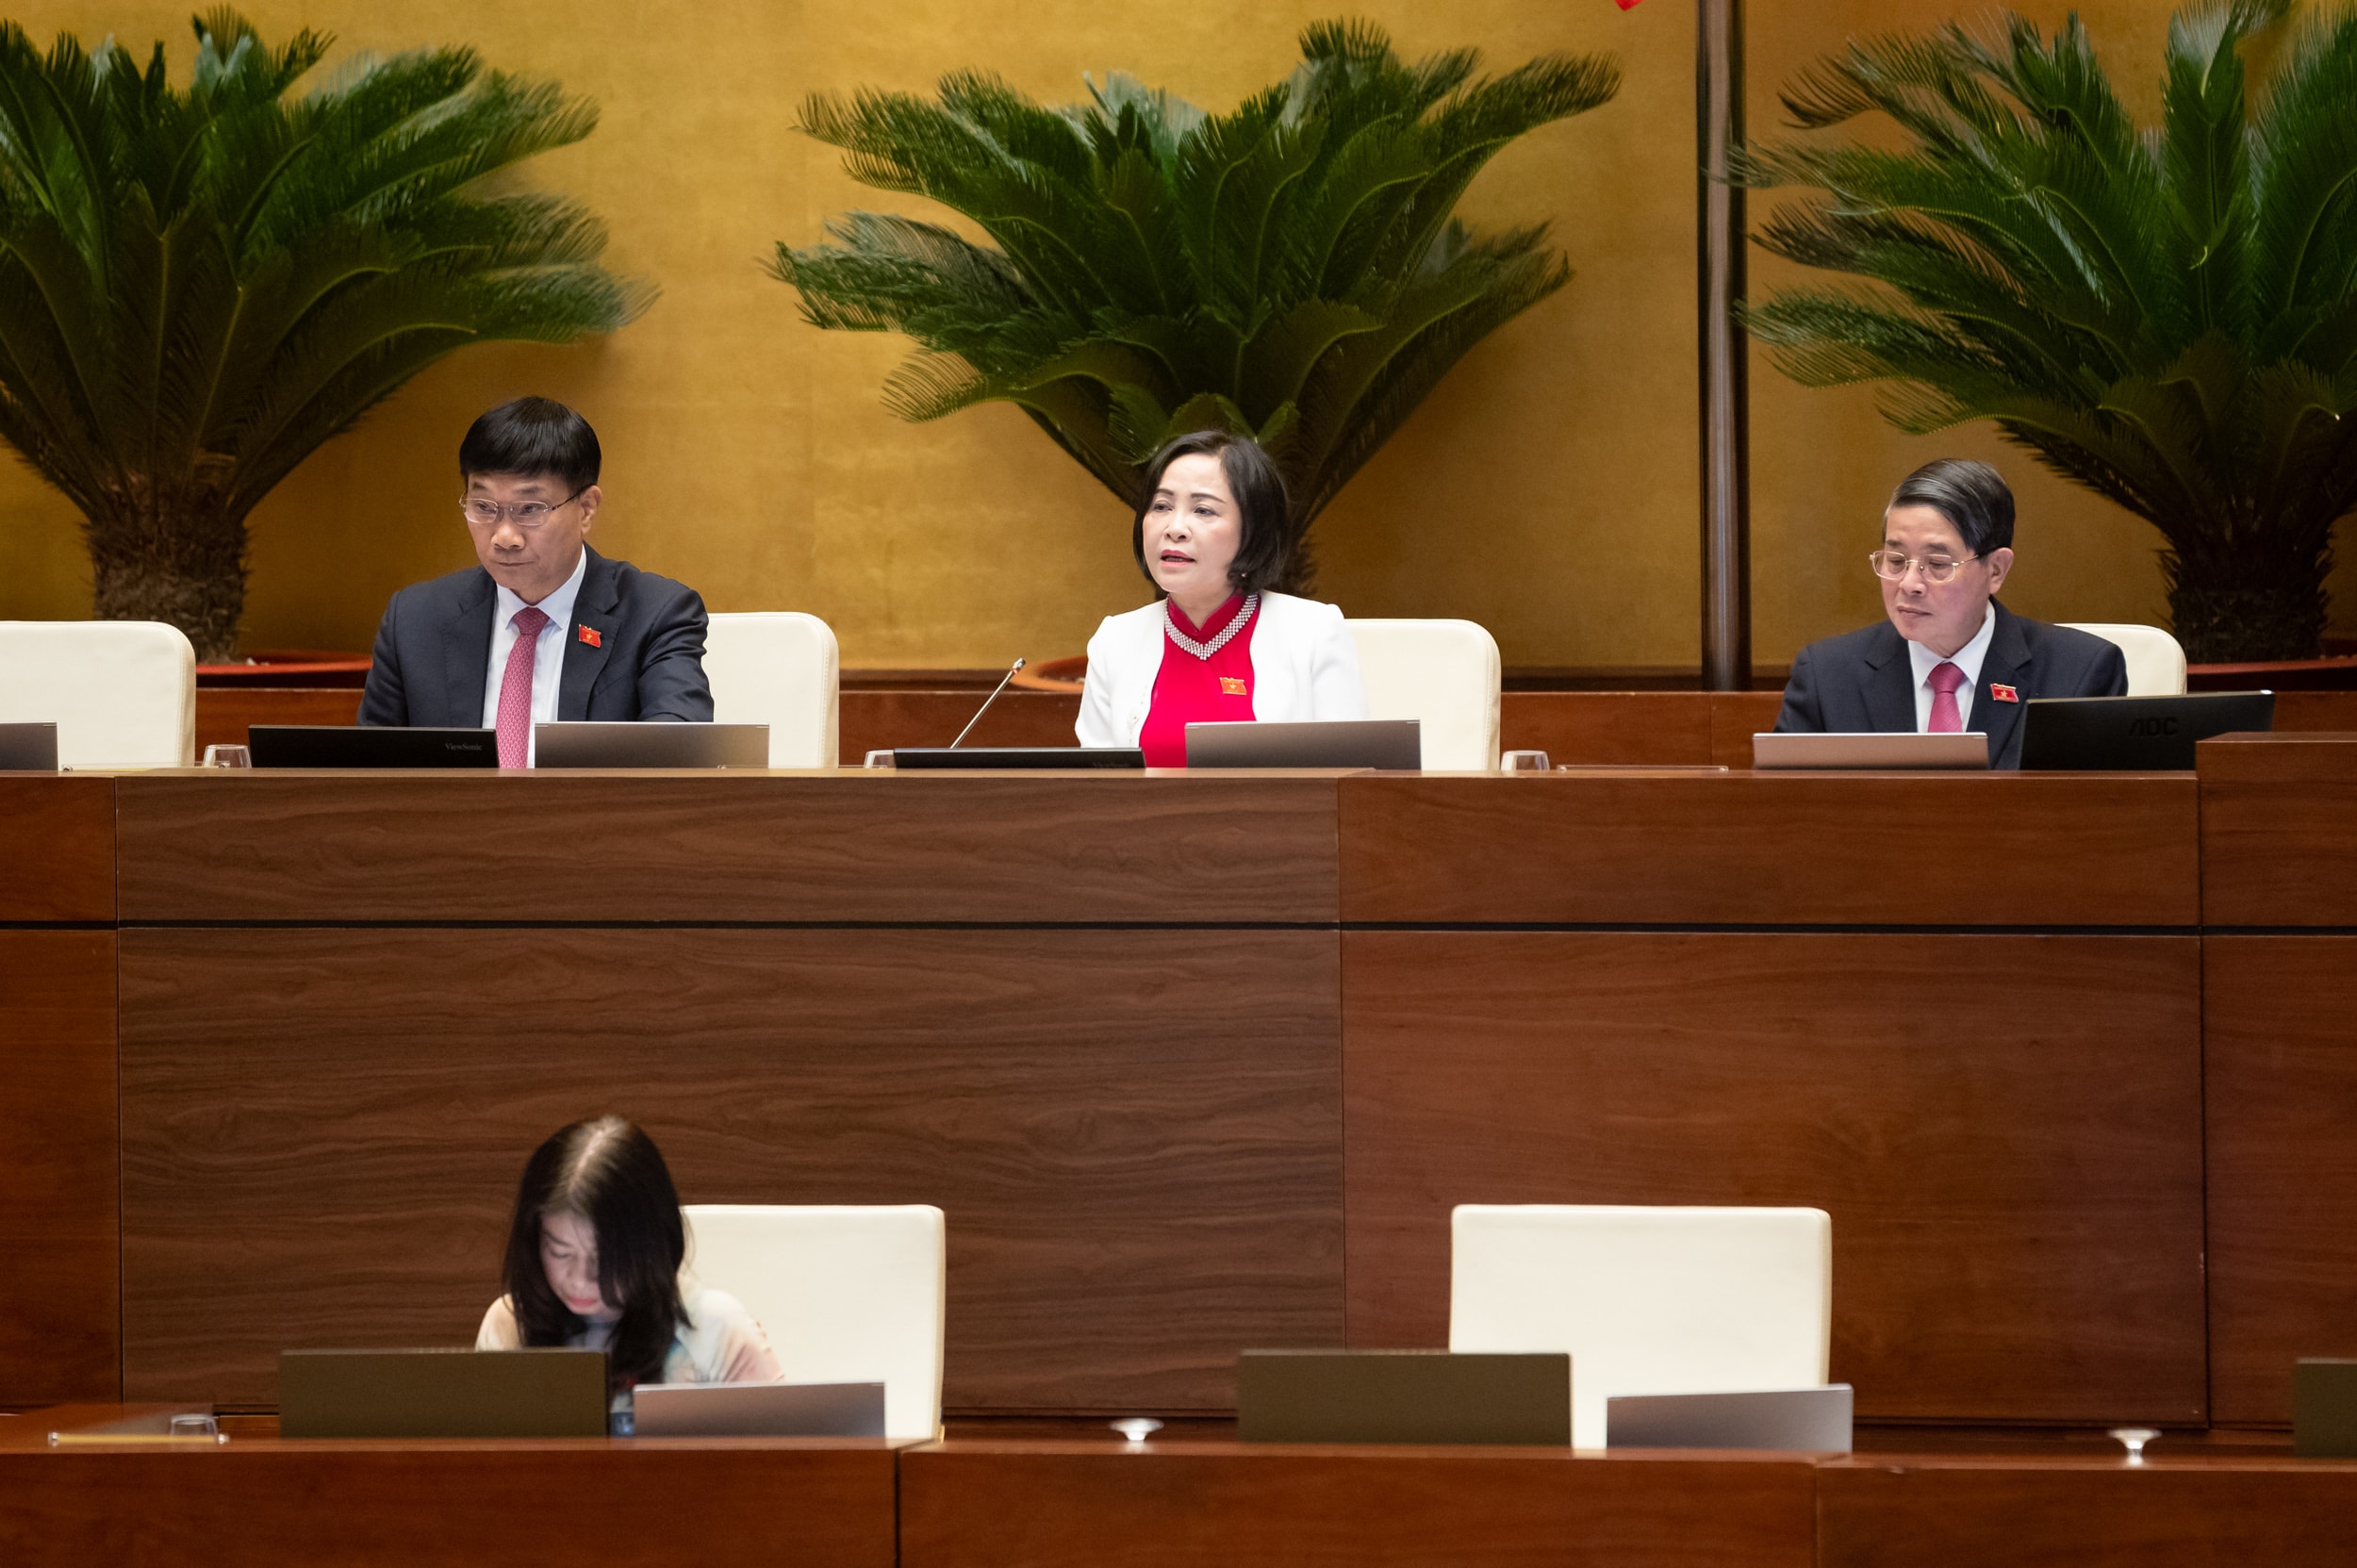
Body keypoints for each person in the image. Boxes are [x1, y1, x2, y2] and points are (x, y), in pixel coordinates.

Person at [358, 397, 713, 767]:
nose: (504, 536)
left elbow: (678, 750)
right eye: (484, 507)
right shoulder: (414, 621)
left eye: (530, 509)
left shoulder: (656, 614)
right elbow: (367, 772)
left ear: (586, 508)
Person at [1774, 459, 2127, 768]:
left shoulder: (2079, 674)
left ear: (1996, 570)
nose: (1909, 583)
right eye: (1896, 561)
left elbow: (2099, 813)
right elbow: (1784, 809)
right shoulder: (1827, 676)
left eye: (1938, 564)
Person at [1076, 431, 1367, 764]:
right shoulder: (1115, 641)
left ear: (1252, 530)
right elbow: (1097, 783)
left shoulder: (1313, 632)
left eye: (1203, 510)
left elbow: (1348, 776)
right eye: (1161, 506)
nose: (1174, 528)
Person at [477, 1114, 782, 1411]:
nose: (580, 1279)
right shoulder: (510, 1325)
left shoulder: (716, 1329)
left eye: (604, 1259)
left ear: (650, 1247)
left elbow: (784, 1443)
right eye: (560, 1252)